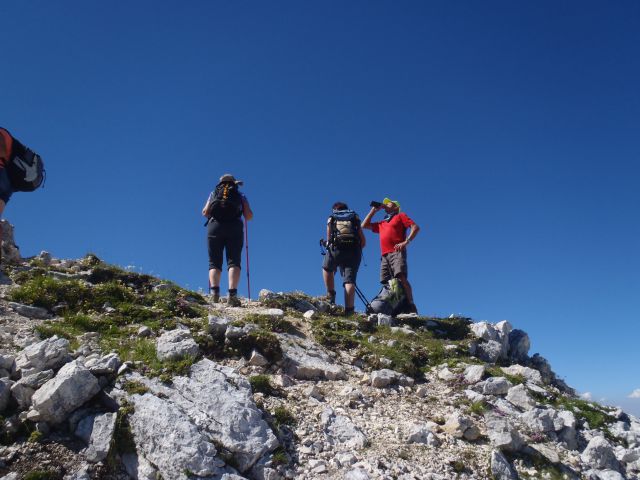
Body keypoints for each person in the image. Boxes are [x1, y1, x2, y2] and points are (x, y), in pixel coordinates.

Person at [362, 198, 420, 313]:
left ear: (396, 208)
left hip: (396, 252)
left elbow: (415, 227)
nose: (386, 205)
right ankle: (396, 306)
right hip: (384, 255)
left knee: (400, 277)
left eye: (389, 204)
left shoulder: (400, 216)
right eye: (386, 204)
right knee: (388, 282)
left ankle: (411, 305)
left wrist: (406, 241)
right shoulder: (382, 223)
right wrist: (374, 211)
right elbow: (364, 225)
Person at [202, 174, 253, 306]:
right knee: (234, 261)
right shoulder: (240, 196)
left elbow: (205, 212)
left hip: (214, 226)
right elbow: (248, 216)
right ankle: (232, 295)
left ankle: (214, 294)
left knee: (214, 262)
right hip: (234, 227)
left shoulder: (213, 193)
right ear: (234, 183)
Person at [322, 202, 366, 316]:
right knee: (349, 281)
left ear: (334, 209)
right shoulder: (354, 217)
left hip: (337, 248)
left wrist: (327, 244)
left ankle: (330, 295)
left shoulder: (332, 218)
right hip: (354, 251)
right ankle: (349, 311)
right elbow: (363, 242)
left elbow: (329, 239)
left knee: (327, 268)